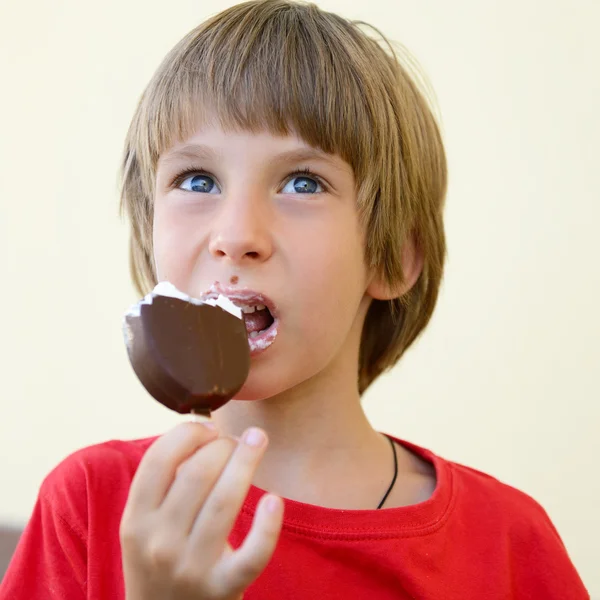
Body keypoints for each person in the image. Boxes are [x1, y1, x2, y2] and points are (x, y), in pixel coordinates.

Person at [0, 0, 589, 598]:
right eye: (197, 180)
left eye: (302, 183)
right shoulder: (94, 508)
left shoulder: (510, 546)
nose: (235, 236)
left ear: (393, 257)